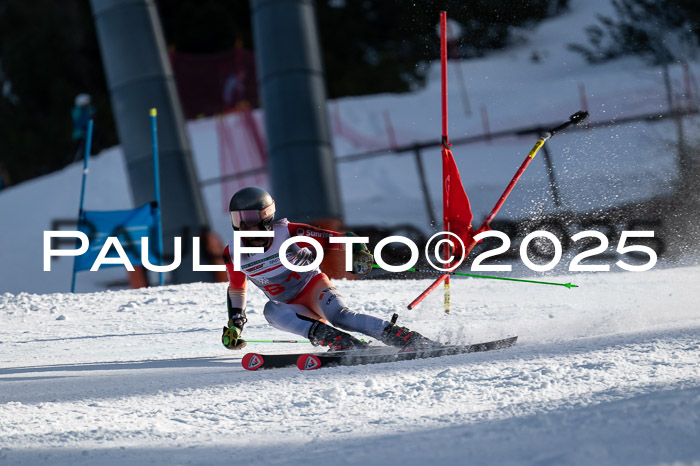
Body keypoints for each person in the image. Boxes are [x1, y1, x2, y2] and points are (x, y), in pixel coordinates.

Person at [221, 186, 439, 352]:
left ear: (266, 216)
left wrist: (359, 251)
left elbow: (344, 239)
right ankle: (339, 341)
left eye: (248, 218)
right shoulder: (233, 253)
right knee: (271, 310)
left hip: (314, 288)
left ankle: (405, 338)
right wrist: (236, 324)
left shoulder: (289, 233)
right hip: (295, 309)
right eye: (237, 218)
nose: (242, 227)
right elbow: (237, 289)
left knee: (341, 317)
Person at [71, 93, 96, 161]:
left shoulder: (86, 110)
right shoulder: (78, 112)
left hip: (87, 132)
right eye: (86, 103)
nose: (88, 105)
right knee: (82, 149)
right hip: (81, 135)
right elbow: (80, 123)